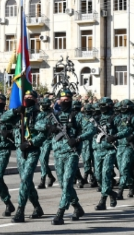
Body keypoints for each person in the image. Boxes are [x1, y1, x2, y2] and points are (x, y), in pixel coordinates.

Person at [35, 89, 92, 225]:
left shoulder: (78, 116)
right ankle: (77, 207)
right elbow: (37, 125)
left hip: (71, 153)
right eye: (62, 99)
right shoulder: (54, 115)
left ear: (71, 100)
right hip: (58, 153)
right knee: (62, 184)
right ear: (58, 101)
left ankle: (60, 213)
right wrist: (49, 127)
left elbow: (91, 129)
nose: (65, 101)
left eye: (68, 99)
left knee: (67, 183)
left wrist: (78, 139)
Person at [1, 90, 46, 222]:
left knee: (25, 179)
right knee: (27, 181)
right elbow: (2, 119)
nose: (28, 99)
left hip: (32, 151)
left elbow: (44, 134)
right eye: (26, 97)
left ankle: (20, 210)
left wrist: (31, 143)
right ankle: (37, 207)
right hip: (20, 151)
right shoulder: (19, 113)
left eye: (31, 97)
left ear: (36, 100)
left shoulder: (39, 115)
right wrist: (15, 111)